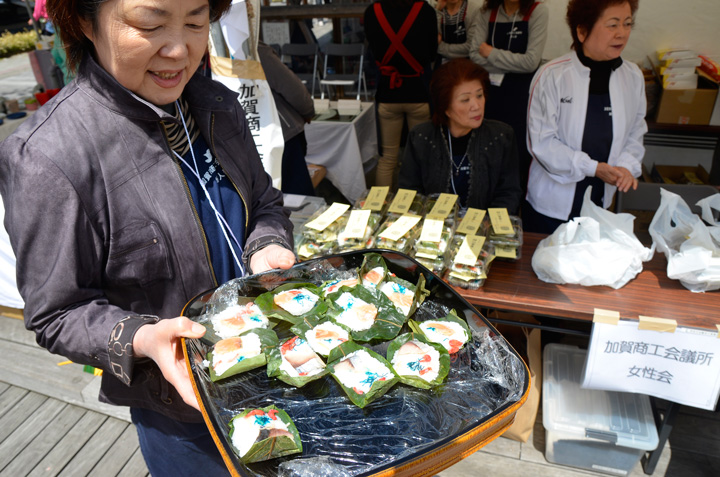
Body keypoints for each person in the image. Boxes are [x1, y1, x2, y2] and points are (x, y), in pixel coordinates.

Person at [0, 1, 296, 475]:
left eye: (196, 23)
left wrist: (267, 246)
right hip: (183, 409)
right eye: (150, 24)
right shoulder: (48, 157)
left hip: (278, 369)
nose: (180, 49)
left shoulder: (216, 105)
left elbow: (263, 202)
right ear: (83, 21)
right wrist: (141, 337)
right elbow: (57, 311)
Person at [523, 0, 646, 234]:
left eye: (628, 24)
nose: (622, 33)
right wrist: (592, 168)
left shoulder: (632, 76)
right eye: (612, 25)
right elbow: (542, 144)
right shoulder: (552, 76)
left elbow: (635, 132)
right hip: (552, 207)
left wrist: (627, 166)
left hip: (602, 203)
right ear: (582, 31)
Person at [399, 58, 522, 212]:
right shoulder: (421, 137)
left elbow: (509, 192)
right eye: (465, 100)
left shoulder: (501, 136)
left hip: (484, 230)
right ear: (445, 107)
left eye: (479, 95)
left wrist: (487, 228)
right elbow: (409, 191)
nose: (476, 106)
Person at [468, 0, 548, 191]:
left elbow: (530, 62)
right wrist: (514, 63)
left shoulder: (537, 11)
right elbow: (474, 55)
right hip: (490, 94)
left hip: (521, 96)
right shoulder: (486, 12)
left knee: (517, 153)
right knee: (486, 149)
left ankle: (513, 206)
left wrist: (491, 53)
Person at [364, 0, 438, 188]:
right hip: (418, 93)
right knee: (422, 158)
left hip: (388, 94)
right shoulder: (425, 10)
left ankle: (379, 209)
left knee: (387, 158)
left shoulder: (373, 11)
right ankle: (421, 209)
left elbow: (373, 51)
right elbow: (432, 54)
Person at [257, 41, 316, 196]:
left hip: (236, 142)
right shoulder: (251, 48)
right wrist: (307, 109)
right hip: (279, 134)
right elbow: (291, 87)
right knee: (297, 199)